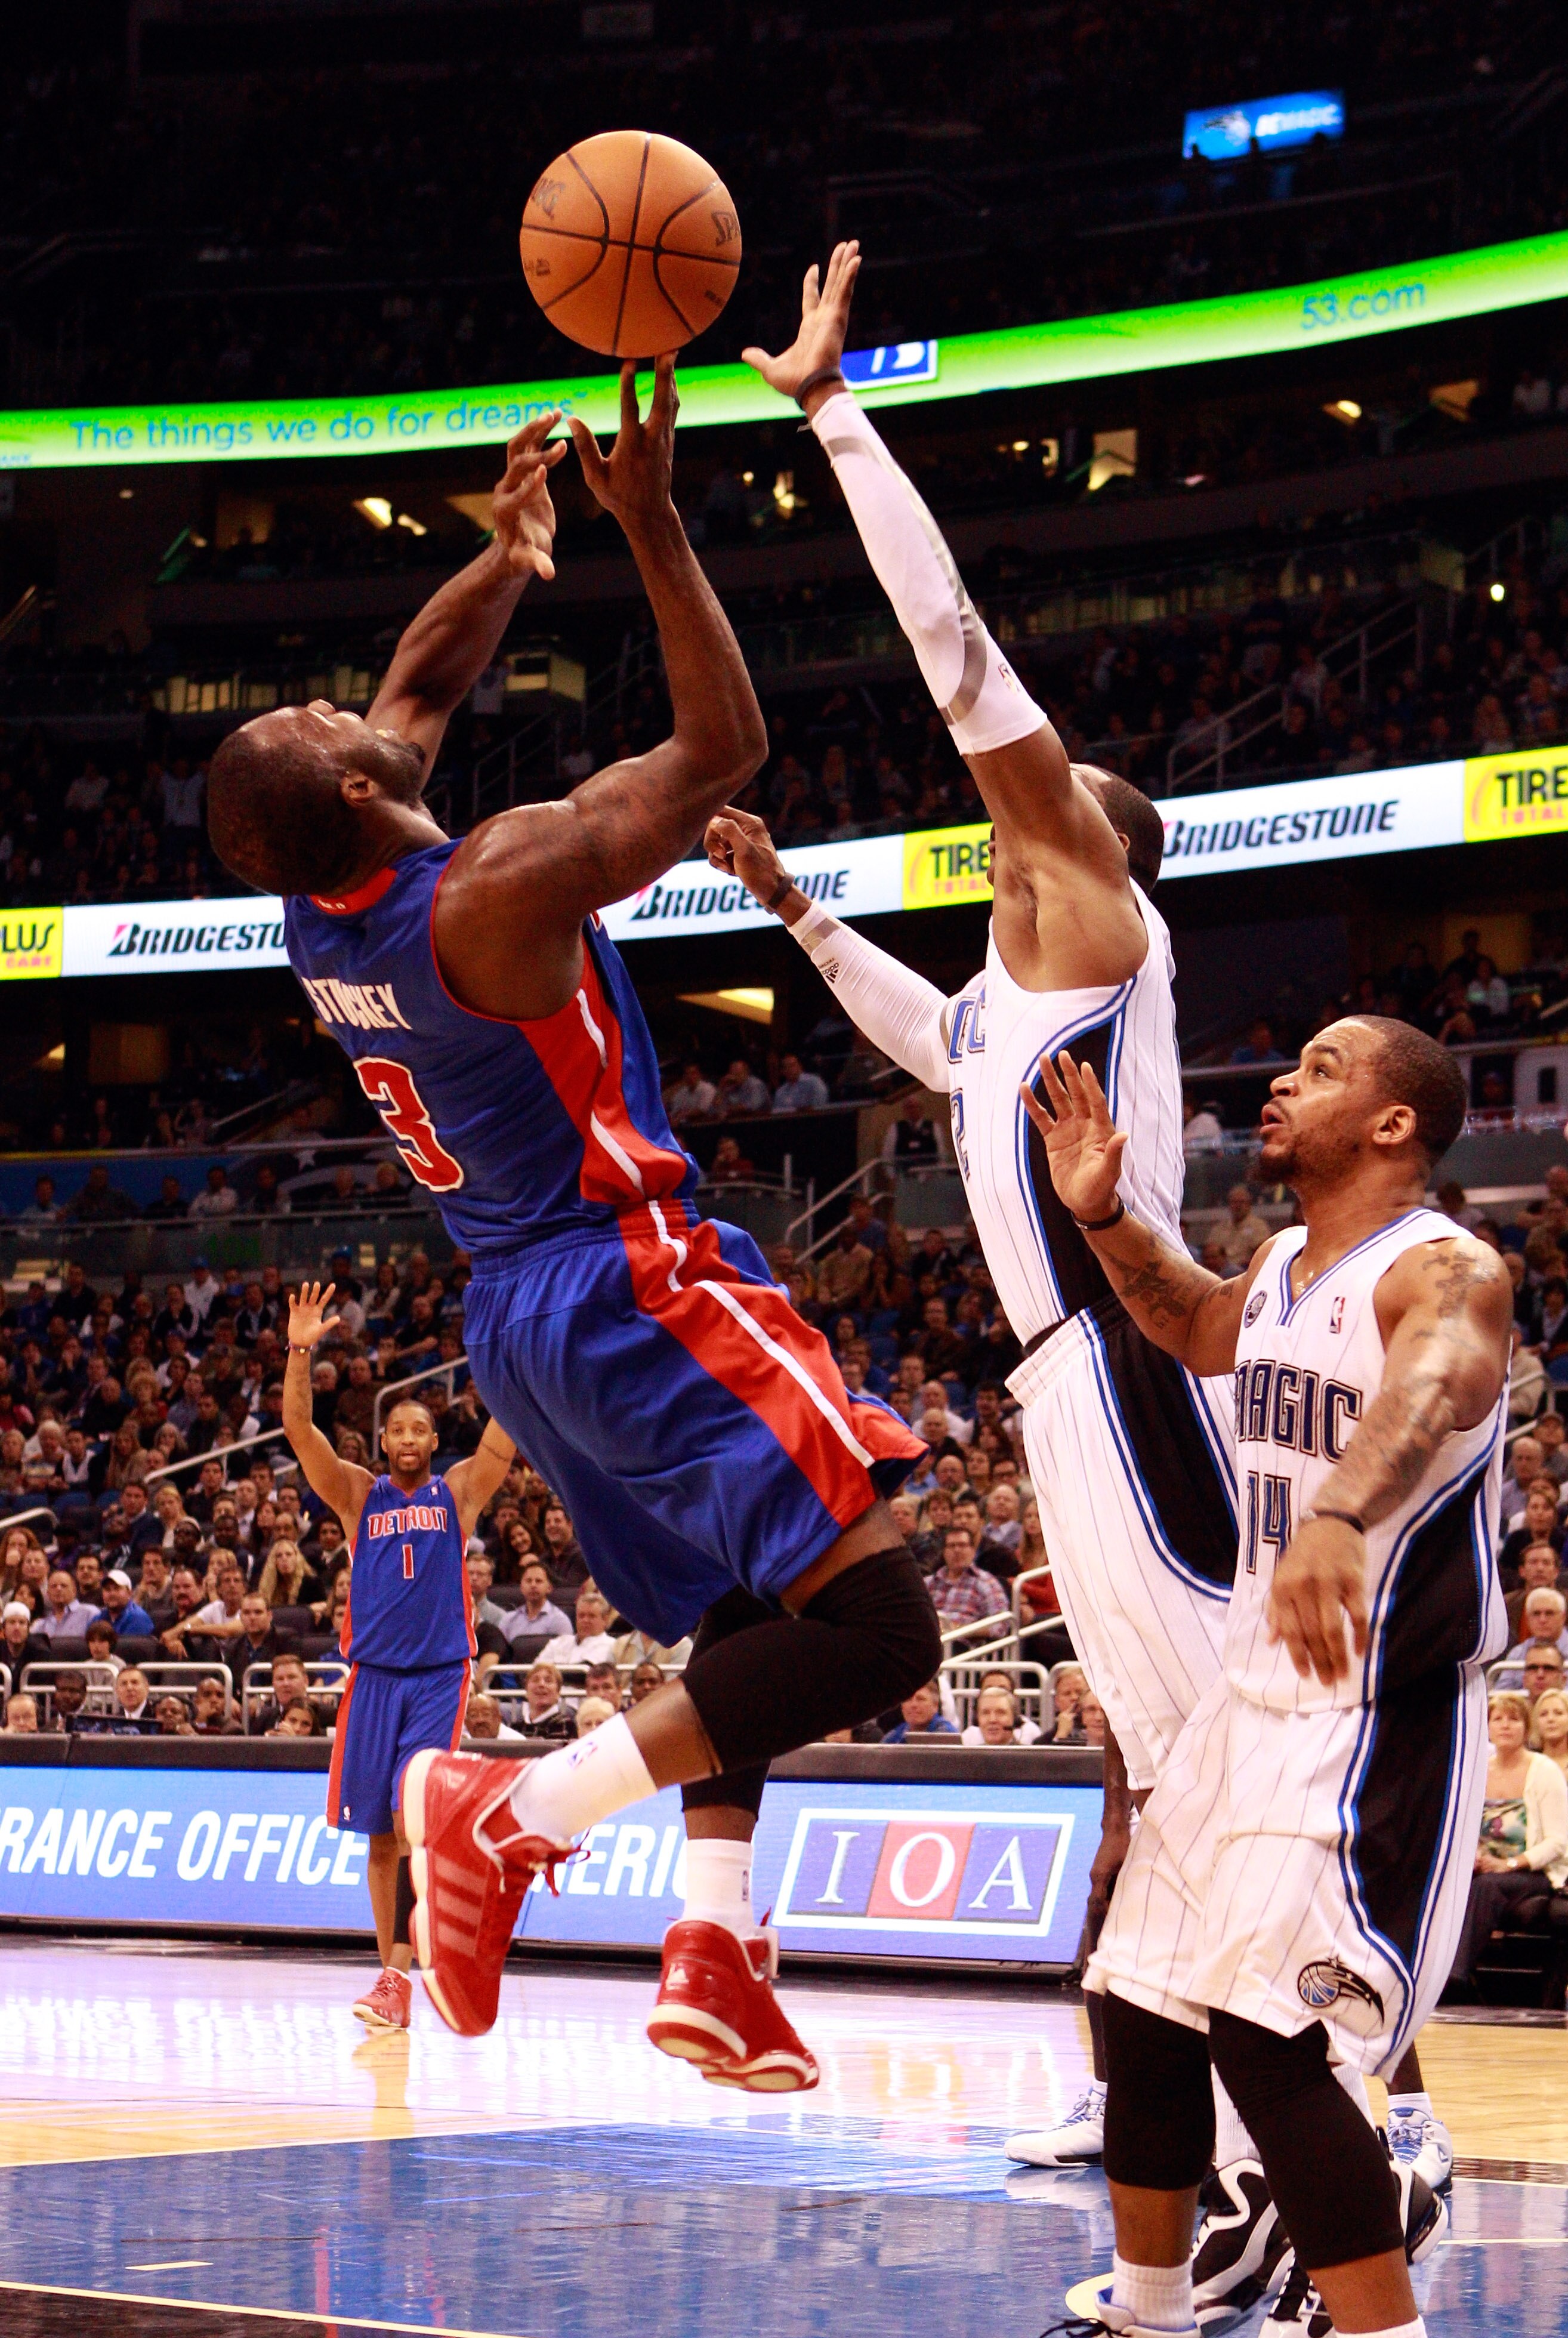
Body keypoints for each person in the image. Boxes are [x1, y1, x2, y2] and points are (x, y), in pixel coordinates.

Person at [208, 362, 936, 2080]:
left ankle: (709, 1942)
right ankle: (512, 1815)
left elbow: (418, 680)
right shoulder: (495, 880)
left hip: (521, 1324)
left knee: (757, 1621)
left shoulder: (334, 914)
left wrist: (521, 552)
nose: (357, 701)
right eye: (330, 726)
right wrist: (656, 529)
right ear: (361, 795)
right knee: (881, 1624)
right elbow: (724, 750)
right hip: (630, 1270)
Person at [727, 240, 1240, 2184]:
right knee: (1148, 1766)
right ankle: (1160, 2130)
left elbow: (952, 651)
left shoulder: (1095, 915)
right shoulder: (1005, 998)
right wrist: (788, 910)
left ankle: (1319, 2146)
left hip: (1125, 1361)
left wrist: (831, 413)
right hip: (1060, 1386)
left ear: (1087, 844)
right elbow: (918, 1034)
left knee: (1200, 1769)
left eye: (1048, 803)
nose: (1016, 822)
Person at [982, 1016, 1510, 2338]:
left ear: (1398, 1125)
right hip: (1243, 1697)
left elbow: (1436, 1383)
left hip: (1370, 1714)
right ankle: (1152, 2329)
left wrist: (1342, 1512)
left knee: (1273, 2040)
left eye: (1326, 1065)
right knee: (1139, 2012)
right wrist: (1099, 1215)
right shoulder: (1284, 1263)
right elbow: (1194, 1322)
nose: (1282, 1078)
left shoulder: (1445, 1268)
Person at [281, 1280, 516, 2035]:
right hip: (372, 1680)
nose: (411, 1440)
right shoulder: (358, 1496)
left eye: (422, 1429)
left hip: (439, 1680)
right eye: (399, 1431)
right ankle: (392, 1974)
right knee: (380, 1836)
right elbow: (298, 1431)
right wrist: (298, 1350)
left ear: (432, 1441)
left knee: (416, 1826)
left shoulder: (458, 1494)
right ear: (384, 1443)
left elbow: (502, 1438)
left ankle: (401, 1968)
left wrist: (508, 1352)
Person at [1446, 1691, 1568, 1990]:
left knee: (1485, 1887)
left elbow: (1558, 1842)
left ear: (1526, 1728)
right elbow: (1466, 1829)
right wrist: (1474, 1855)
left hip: (1536, 1873)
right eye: (1497, 1719)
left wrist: (1508, 1864)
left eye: (1513, 1719)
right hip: (1488, 1869)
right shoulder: (1478, 1771)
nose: (1505, 1726)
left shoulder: (1545, 1771)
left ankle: (1452, 1980)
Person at [882, 1678, 957, 1744]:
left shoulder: (947, 1736)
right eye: (908, 1699)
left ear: (936, 1706)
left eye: (921, 1699)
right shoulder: (894, 1736)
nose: (913, 1705)